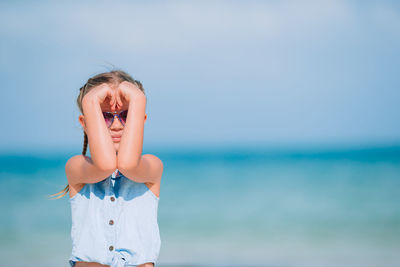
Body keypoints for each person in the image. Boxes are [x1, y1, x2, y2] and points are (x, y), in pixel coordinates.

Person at [50, 70, 163, 267]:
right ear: (85, 122)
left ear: (140, 119)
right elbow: (106, 164)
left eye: (127, 115)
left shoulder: (152, 166)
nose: (117, 125)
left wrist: (137, 98)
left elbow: (127, 164)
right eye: (105, 116)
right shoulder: (77, 167)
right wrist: (91, 101)